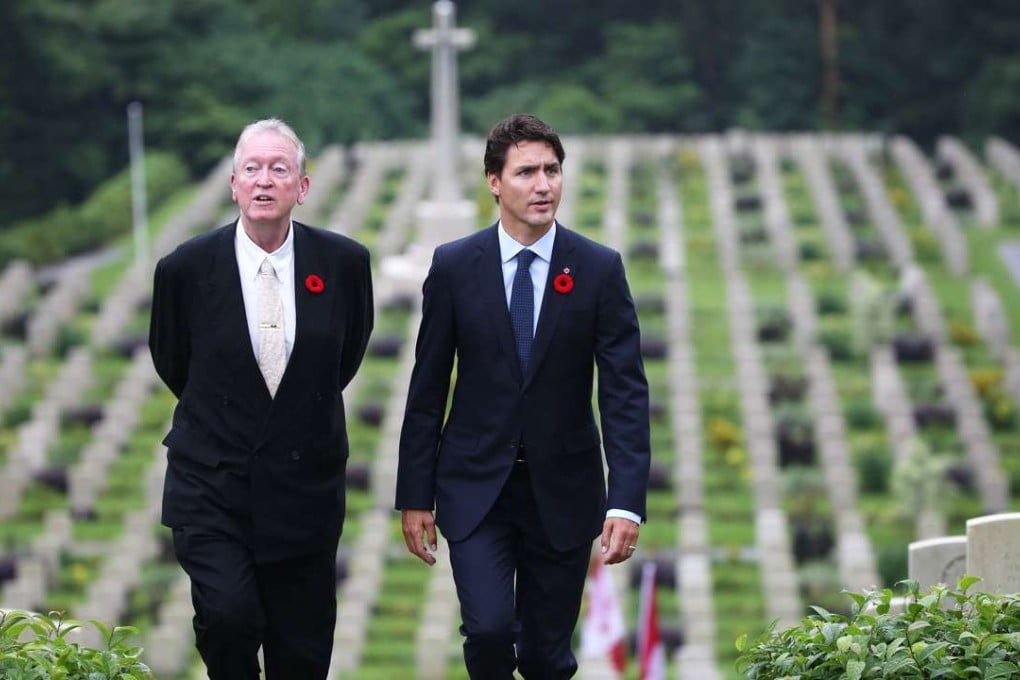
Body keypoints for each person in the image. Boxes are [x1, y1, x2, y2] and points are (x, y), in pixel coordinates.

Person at [395, 113, 651, 678]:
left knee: (544, 656)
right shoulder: (456, 266)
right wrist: (415, 494)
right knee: (487, 632)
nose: (543, 185)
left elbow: (625, 393)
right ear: (494, 181)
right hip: (474, 487)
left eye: (553, 171)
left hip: (563, 492)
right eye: (527, 172)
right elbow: (427, 385)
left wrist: (626, 499)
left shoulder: (598, 269)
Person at [149, 118, 373, 679]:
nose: (264, 180)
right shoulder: (185, 270)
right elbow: (174, 360)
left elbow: (342, 357)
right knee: (228, 616)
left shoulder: (343, 265)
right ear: (233, 184)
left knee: (301, 650)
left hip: (304, 489)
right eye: (252, 169)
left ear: (302, 187)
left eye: (279, 169)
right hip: (213, 482)